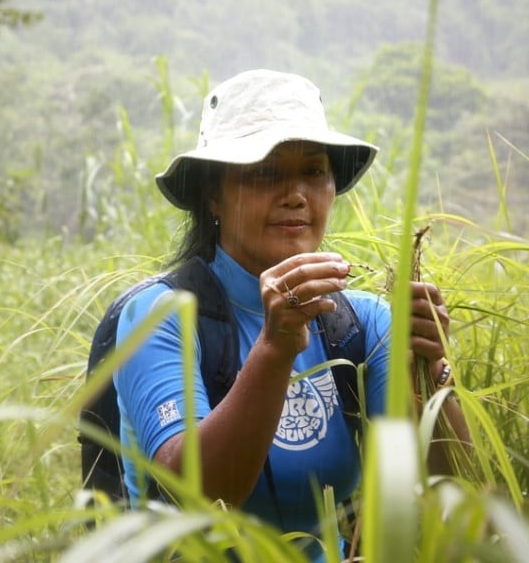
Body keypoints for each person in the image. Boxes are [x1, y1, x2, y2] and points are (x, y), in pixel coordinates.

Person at [112, 69, 470, 556]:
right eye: (264, 172)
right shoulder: (160, 318)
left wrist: (434, 373)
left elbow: (447, 489)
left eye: (314, 171)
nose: (296, 194)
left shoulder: (364, 324)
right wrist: (274, 349)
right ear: (213, 194)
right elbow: (192, 500)